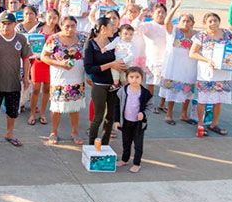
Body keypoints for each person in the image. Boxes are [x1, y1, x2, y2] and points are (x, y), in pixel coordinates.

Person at [0, 11, 31, 147]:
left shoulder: (21, 39)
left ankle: (10, 134)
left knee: (12, 111)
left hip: (14, 82)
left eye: (9, 24)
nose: (6, 26)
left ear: (15, 24)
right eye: (3, 23)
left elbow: (26, 59)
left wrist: (26, 77)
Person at [41, 16, 87, 145]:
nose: (70, 29)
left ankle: (75, 132)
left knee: (75, 106)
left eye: (73, 26)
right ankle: (53, 132)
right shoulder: (54, 39)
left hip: (77, 77)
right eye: (67, 26)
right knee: (56, 106)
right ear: (61, 26)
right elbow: (44, 57)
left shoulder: (83, 38)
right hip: (59, 77)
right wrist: (60, 64)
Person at [189, 12, 232, 137]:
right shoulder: (201, 36)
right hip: (206, 73)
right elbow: (192, 53)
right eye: (210, 21)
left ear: (219, 21)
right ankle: (200, 125)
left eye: (215, 20)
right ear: (205, 23)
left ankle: (214, 124)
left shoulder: (227, 34)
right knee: (203, 99)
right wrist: (207, 60)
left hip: (223, 74)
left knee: (218, 100)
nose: (213, 23)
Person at [84, 17, 127, 145]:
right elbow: (89, 68)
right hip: (99, 85)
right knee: (98, 117)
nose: (114, 28)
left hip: (114, 84)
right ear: (103, 28)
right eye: (111, 26)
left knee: (110, 117)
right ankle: (91, 145)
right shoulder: (91, 44)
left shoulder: (115, 42)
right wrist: (111, 65)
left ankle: (104, 144)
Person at [159, 0, 198, 124]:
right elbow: (167, 21)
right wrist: (175, 7)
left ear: (193, 23)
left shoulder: (197, 35)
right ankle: (169, 114)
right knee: (173, 89)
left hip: (190, 66)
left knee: (188, 89)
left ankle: (183, 114)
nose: (186, 23)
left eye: (188, 21)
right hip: (174, 66)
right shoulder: (174, 31)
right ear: (179, 22)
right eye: (183, 21)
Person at [114, 67, 152, 173]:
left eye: (137, 77)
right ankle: (125, 159)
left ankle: (136, 163)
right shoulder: (122, 91)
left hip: (139, 124)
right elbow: (117, 106)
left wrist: (143, 114)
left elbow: (150, 107)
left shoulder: (145, 93)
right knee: (126, 143)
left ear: (142, 78)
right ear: (127, 78)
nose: (134, 79)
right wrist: (116, 120)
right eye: (131, 77)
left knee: (138, 145)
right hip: (126, 122)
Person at [28, 9, 60, 126]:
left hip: (51, 63)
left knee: (47, 89)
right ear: (45, 17)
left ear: (58, 19)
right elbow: (28, 39)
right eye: (49, 17)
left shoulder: (59, 32)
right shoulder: (38, 29)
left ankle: (42, 113)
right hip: (37, 62)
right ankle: (32, 114)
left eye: (54, 18)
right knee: (36, 89)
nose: (52, 20)